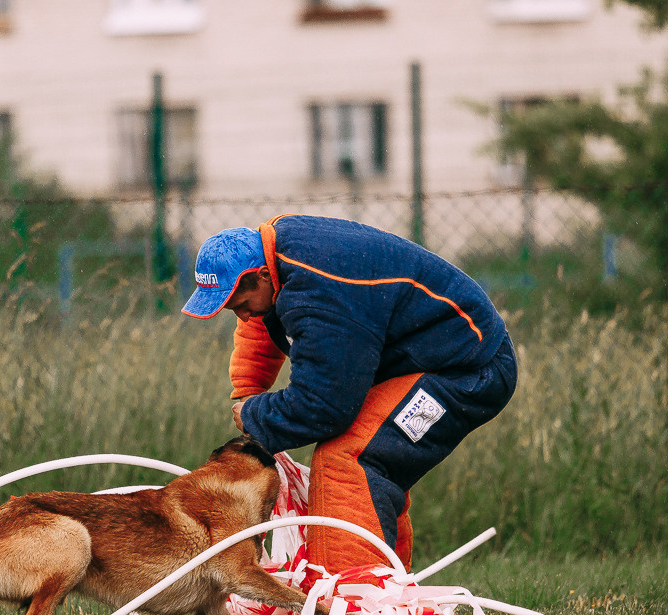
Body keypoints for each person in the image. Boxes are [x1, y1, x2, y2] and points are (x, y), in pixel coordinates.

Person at [182, 215, 517, 574]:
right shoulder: (274, 253)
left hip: (468, 370)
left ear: (263, 275)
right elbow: (261, 322)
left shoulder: (319, 290)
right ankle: (390, 598)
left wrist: (255, 416)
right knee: (372, 463)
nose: (243, 316)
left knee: (350, 460)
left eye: (240, 303)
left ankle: (353, 607)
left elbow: (325, 406)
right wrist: (247, 395)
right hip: (430, 360)